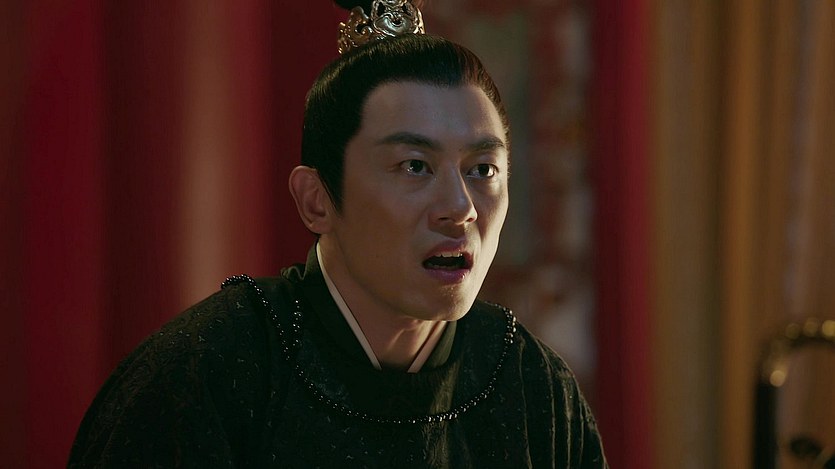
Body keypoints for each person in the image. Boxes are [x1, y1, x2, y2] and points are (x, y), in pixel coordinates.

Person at [68, 0, 608, 467]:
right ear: (317, 199)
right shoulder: (205, 375)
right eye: (415, 166)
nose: (459, 209)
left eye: (482, 170)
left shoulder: (531, 385)